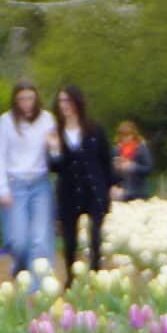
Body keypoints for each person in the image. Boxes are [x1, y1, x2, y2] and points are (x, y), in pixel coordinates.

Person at [0, 81, 57, 281]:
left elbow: (56, 154)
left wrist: (53, 146)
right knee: (18, 240)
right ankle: (20, 268)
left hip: (40, 182)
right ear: (16, 100)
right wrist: (2, 189)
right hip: (16, 183)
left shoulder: (47, 119)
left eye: (30, 98)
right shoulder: (6, 121)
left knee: (40, 238)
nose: (26, 103)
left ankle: (38, 286)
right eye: (22, 99)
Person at [48, 85, 113, 272]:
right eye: (61, 101)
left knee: (95, 236)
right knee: (70, 239)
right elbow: (55, 167)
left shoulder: (94, 129)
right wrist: (54, 149)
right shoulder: (56, 133)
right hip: (69, 190)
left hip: (93, 188)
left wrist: (111, 186)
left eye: (68, 100)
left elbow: (105, 160)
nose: (64, 105)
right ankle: (71, 275)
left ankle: (95, 272)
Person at [111, 120, 153, 201]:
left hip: (139, 193)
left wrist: (133, 167)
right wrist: (115, 167)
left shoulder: (141, 148)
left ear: (133, 135)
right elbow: (110, 174)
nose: (125, 138)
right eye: (123, 135)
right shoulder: (116, 150)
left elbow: (149, 168)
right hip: (121, 192)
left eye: (128, 135)